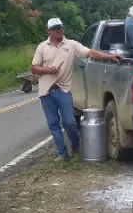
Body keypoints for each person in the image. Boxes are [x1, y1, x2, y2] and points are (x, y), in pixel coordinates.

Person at [31, 17, 121, 161]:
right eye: (55, 28)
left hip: (63, 89)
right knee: (53, 123)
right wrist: (48, 70)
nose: (59, 30)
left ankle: (75, 144)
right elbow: (34, 67)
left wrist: (110, 57)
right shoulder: (42, 47)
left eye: (60, 27)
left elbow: (90, 52)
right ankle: (62, 153)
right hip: (46, 91)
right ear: (49, 31)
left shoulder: (71, 45)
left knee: (69, 122)